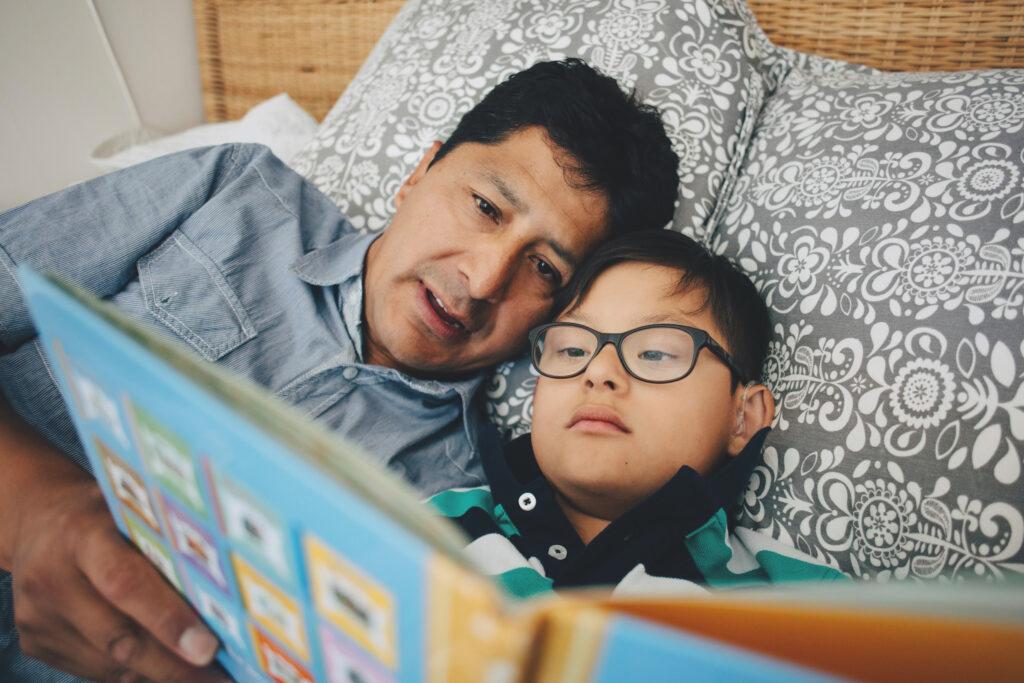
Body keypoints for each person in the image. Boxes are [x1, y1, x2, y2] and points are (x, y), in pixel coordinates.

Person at [0, 59, 679, 682]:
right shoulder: (231, 192)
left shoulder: (457, 508)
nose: (479, 279)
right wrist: (34, 506)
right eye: (484, 206)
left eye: (543, 269)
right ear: (420, 171)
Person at [430, 231, 847, 596]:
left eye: (654, 352)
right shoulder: (427, 527)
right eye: (572, 349)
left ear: (743, 417)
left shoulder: (802, 603)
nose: (599, 372)